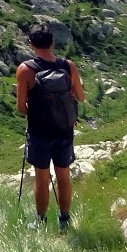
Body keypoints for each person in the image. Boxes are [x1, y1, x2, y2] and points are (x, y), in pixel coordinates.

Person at [16, 24, 85, 231]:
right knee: (63, 176)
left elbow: (21, 107)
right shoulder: (68, 66)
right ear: (52, 43)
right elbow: (80, 97)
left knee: (42, 177)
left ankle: (40, 221)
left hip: (39, 132)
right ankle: (64, 220)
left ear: (31, 45)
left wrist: (37, 112)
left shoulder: (25, 70)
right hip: (64, 130)